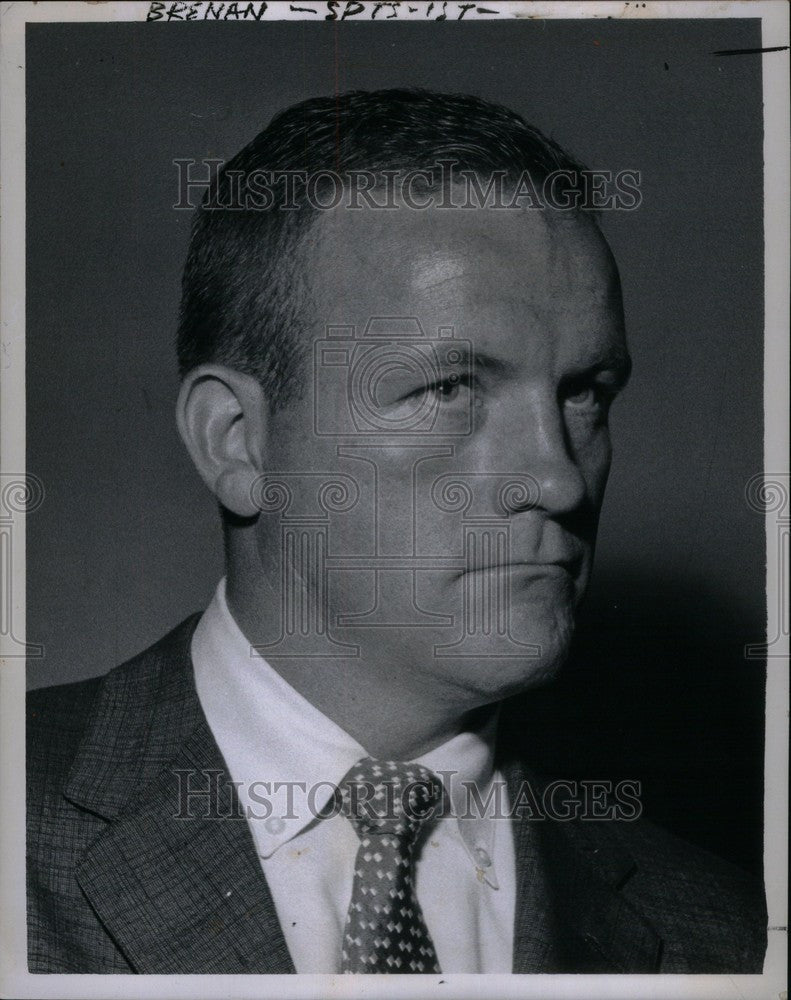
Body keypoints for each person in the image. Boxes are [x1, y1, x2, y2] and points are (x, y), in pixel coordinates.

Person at [27, 88, 766, 975]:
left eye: (584, 393)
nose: (558, 479)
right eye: (449, 387)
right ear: (237, 441)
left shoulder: (721, 937)